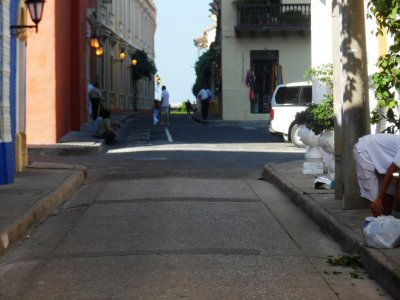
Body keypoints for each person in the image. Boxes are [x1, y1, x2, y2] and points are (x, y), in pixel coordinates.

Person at [353, 133, 400, 216]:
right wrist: (379, 198)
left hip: (381, 159)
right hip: (364, 151)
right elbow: (391, 170)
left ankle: (387, 220)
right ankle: (379, 223)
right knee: (374, 198)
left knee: (390, 191)